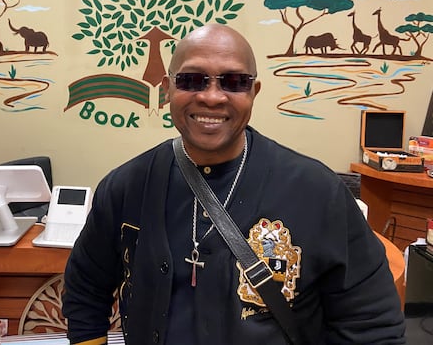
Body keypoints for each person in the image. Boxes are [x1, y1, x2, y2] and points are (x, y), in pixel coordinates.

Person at [62, 23, 406, 344]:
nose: (212, 97)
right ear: (167, 89)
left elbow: (372, 325)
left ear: (253, 92)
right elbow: (85, 290)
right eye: (192, 80)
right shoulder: (125, 187)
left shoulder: (319, 193)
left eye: (234, 82)